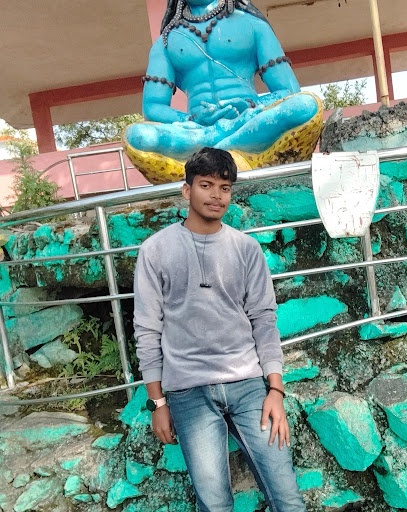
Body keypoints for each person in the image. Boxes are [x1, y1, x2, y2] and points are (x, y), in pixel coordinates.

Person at [133, 147, 306, 512]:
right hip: (188, 392)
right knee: (214, 505)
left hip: (248, 385)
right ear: (187, 190)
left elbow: (264, 319)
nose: (216, 195)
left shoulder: (246, 249)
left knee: (287, 495)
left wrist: (275, 389)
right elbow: (147, 329)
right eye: (206, 185)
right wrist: (157, 403)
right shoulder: (155, 251)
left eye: (225, 188)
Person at [123, 0, 322, 183]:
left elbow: (289, 91)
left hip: (248, 119)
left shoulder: (252, 24)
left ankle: (217, 150)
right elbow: (153, 107)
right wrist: (192, 120)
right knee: (138, 136)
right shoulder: (166, 42)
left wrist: (251, 105)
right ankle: (227, 145)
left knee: (305, 105)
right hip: (199, 132)